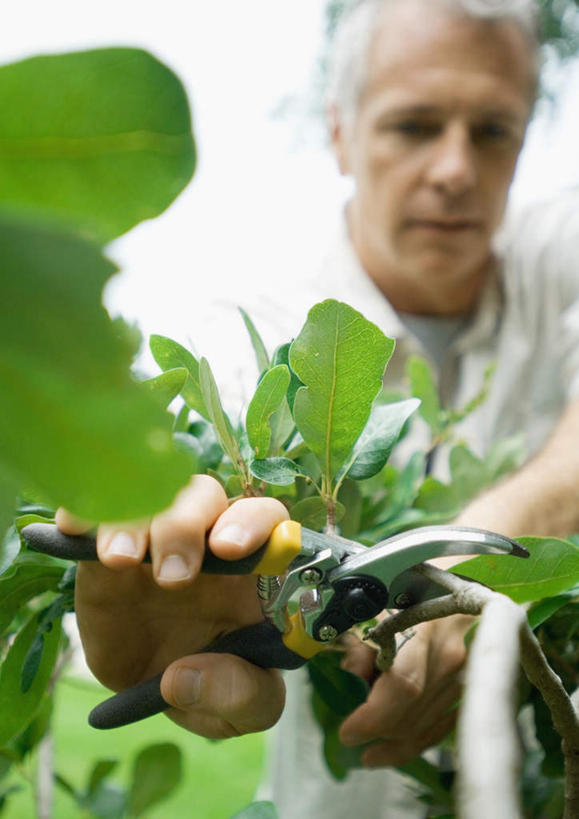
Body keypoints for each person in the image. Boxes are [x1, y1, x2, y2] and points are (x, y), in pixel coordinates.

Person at [57, 0, 579, 816]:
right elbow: (193, 460)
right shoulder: (255, 332)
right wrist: (168, 542)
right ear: (339, 130)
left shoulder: (562, 255)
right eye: (413, 125)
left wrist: (493, 540)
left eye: (491, 130)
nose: (452, 168)